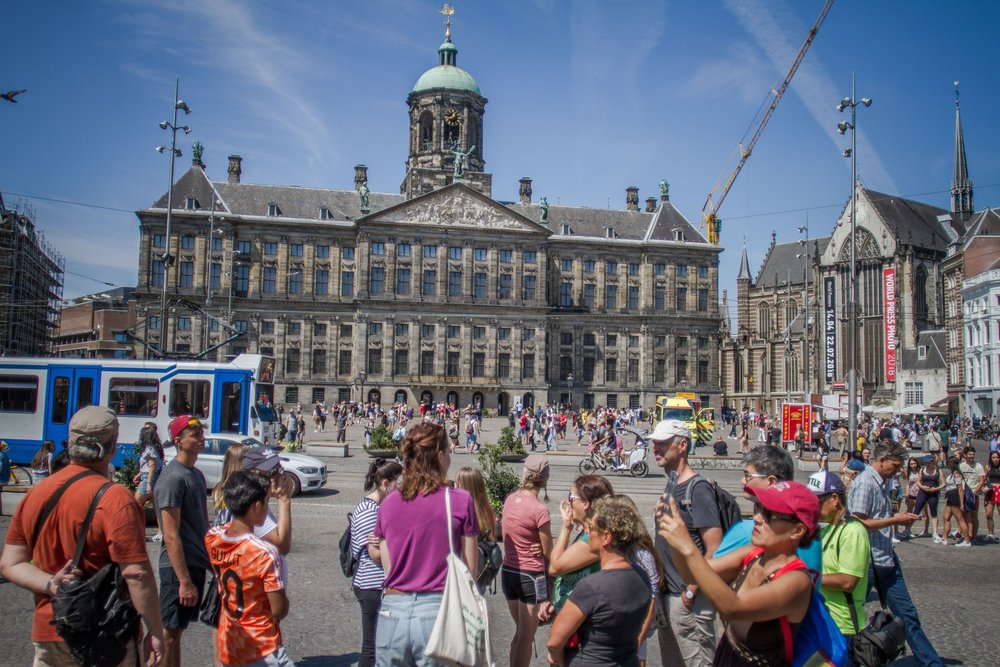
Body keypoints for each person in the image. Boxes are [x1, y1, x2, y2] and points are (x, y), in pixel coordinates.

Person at [1, 406, 164, 667]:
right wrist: (156, 631)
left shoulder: (37, 493)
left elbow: (10, 564)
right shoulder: (116, 498)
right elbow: (136, 574)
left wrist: (51, 584)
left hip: (51, 629)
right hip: (105, 635)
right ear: (111, 447)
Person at [657, 479, 818, 667]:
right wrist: (672, 537)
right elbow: (692, 576)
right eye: (758, 508)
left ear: (797, 530)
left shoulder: (796, 580)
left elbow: (731, 607)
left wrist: (688, 546)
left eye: (768, 514)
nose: (757, 518)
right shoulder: (753, 554)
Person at [370, 422, 478, 666]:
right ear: (439, 455)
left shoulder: (388, 504)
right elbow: (469, 571)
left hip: (392, 612)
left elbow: (385, 563)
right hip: (436, 612)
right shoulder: (460, 500)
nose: (450, 456)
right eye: (448, 451)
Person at [849, 439, 943, 667]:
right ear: (882, 460)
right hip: (868, 560)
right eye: (896, 465)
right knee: (850, 614)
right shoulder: (865, 483)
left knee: (907, 614)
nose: (899, 470)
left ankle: (931, 662)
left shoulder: (882, 482)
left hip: (886, 558)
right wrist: (895, 519)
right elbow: (857, 523)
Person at [547, 496, 653, 667]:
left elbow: (554, 641)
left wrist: (558, 659)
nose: (588, 531)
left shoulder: (591, 587)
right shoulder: (642, 577)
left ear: (606, 537)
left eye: (592, 527)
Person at [650, 419, 722, 667]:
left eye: (662, 443)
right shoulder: (672, 485)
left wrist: (691, 591)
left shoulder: (698, 489)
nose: (655, 448)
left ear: (682, 446)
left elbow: (715, 549)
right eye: (655, 443)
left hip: (689, 600)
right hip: (668, 596)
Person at [205, 471, 294, 667]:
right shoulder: (263, 553)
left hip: (230, 638)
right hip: (261, 645)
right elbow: (278, 610)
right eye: (266, 502)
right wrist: (284, 501)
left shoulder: (212, 537)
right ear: (256, 507)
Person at [155, 414, 211, 667]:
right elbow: (170, 534)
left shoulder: (196, 475)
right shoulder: (172, 478)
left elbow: (202, 525)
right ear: (178, 441)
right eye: (195, 434)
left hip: (195, 562)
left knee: (177, 632)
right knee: (168, 633)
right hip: (178, 568)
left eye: (201, 432)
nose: (201, 438)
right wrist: (184, 580)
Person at [716, 445, 823, 575]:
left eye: (747, 475)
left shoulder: (750, 530)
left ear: (772, 481)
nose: (743, 481)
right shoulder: (811, 534)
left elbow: (704, 575)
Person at [540, 475, 615, 624]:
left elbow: (555, 567)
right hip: (572, 614)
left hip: (581, 621)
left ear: (585, 503)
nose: (569, 502)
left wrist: (566, 527)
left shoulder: (594, 539)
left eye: (571, 497)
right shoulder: (588, 533)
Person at [501, 454, 553, 667]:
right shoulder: (540, 510)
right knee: (526, 637)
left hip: (509, 573)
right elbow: (549, 551)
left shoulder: (510, 499)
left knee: (520, 633)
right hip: (530, 576)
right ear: (545, 479)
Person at [350, 458, 402, 667]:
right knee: (371, 648)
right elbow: (377, 555)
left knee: (383, 645)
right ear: (384, 484)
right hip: (370, 585)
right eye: (398, 483)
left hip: (378, 583)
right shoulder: (368, 510)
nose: (401, 489)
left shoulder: (380, 507)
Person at [809, 470, 870, 639]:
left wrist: (806, 578)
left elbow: (847, 581)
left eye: (817, 502)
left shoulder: (853, 531)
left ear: (834, 499)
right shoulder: (828, 529)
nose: (813, 508)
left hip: (843, 627)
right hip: (824, 621)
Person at [454, 467, 498, 591]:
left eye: (457, 483)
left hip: (463, 569)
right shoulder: (488, 511)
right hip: (482, 571)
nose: (454, 486)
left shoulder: (461, 511)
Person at [133, 423, 165, 543]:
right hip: (153, 477)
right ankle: (161, 532)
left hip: (149, 479)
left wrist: (147, 484)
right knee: (157, 507)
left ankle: (137, 532)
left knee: (135, 505)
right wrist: (139, 474)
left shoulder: (148, 448)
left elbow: (151, 467)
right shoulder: (156, 447)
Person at [913, 454, 945, 542]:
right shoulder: (922, 470)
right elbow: (918, 482)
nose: (927, 464)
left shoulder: (938, 471)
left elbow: (943, 483)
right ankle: (908, 529)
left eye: (929, 462)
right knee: (916, 511)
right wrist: (922, 487)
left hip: (933, 493)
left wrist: (936, 488)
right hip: (923, 492)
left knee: (933, 512)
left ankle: (935, 532)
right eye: (926, 463)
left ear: (932, 462)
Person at [941, 455, 971, 546]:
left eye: (948, 463)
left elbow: (960, 489)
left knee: (960, 520)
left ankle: (967, 541)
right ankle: (944, 538)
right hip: (949, 497)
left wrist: (961, 503)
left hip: (955, 497)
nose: (947, 465)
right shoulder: (952, 473)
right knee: (946, 517)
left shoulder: (957, 474)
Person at [958, 445, 985, 542]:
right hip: (963, 494)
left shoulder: (978, 466)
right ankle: (965, 535)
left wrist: (975, 492)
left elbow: (982, 481)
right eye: (969, 454)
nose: (972, 456)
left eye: (973, 454)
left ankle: (974, 536)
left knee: (974, 516)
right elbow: (958, 480)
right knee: (963, 516)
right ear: (965, 455)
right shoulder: (961, 466)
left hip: (973, 494)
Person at [984, 451, 1000, 544]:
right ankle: (991, 534)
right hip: (990, 491)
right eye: (993, 457)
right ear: (991, 458)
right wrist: (986, 487)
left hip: (999, 490)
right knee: (988, 514)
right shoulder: (988, 467)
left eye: (997, 457)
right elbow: (985, 478)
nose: (995, 459)